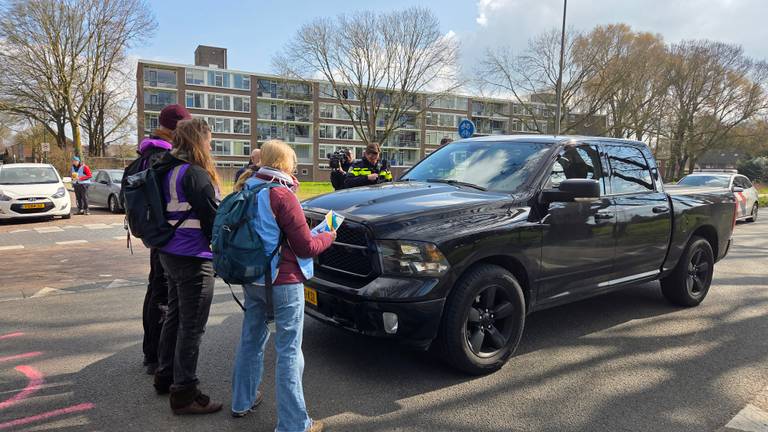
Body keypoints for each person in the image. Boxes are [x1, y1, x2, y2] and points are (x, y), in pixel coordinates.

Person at [231, 140, 335, 432]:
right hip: (283, 280)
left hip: (252, 278)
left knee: (251, 340)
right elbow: (306, 246)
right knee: (289, 350)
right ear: (284, 163)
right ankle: (293, 423)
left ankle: (242, 401)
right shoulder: (282, 194)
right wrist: (329, 233)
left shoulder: (246, 187)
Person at [152, 118, 222, 415]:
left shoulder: (166, 169)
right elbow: (213, 219)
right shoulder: (195, 174)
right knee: (191, 327)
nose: (211, 145)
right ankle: (184, 393)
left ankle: (165, 375)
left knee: (175, 316)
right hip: (193, 257)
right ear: (199, 141)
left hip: (168, 252)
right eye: (209, 140)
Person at [134, 104, 192, 376]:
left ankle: (153, 353)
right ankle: (156, 356)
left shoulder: (149, 151)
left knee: (156, 290)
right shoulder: (162, 154)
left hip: (156, 234)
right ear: (177, 127)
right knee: (161, 294)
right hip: (165, 235)